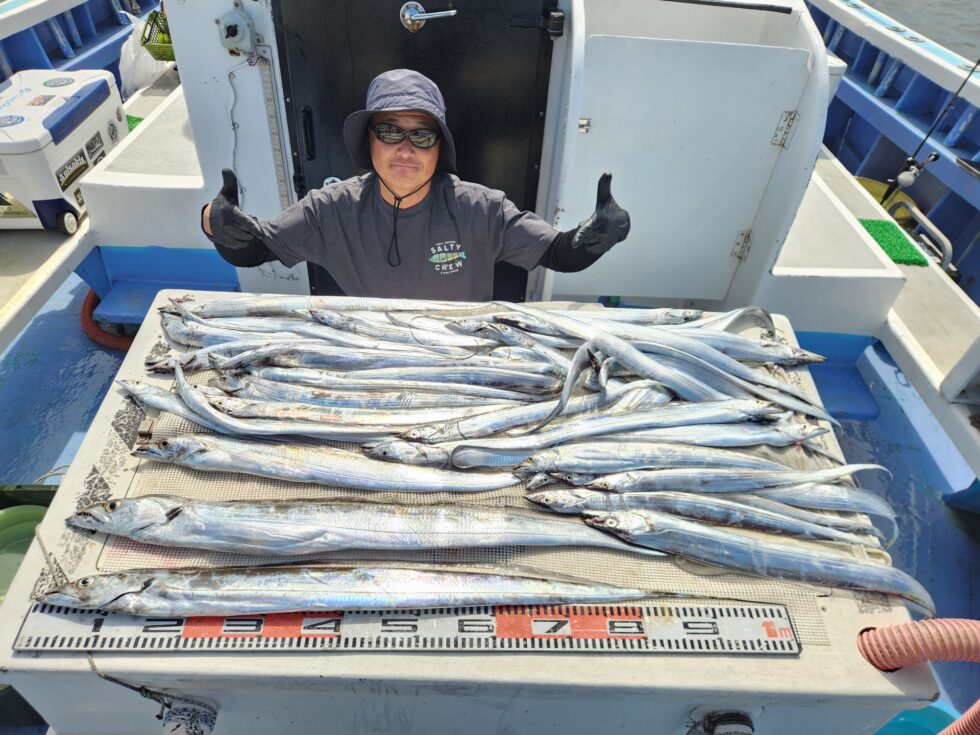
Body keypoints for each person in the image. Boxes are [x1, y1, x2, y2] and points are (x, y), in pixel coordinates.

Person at [202, 69, 630, 301]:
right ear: (368, 140)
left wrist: (593, 237)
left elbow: (557, 252)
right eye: (390, 131)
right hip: (368, 354)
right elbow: (256, 248)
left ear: (439, 149)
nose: (405, 148)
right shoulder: (328, 210)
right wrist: (214, 221)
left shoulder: (483, 210)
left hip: (463, 355)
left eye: (422, 135)